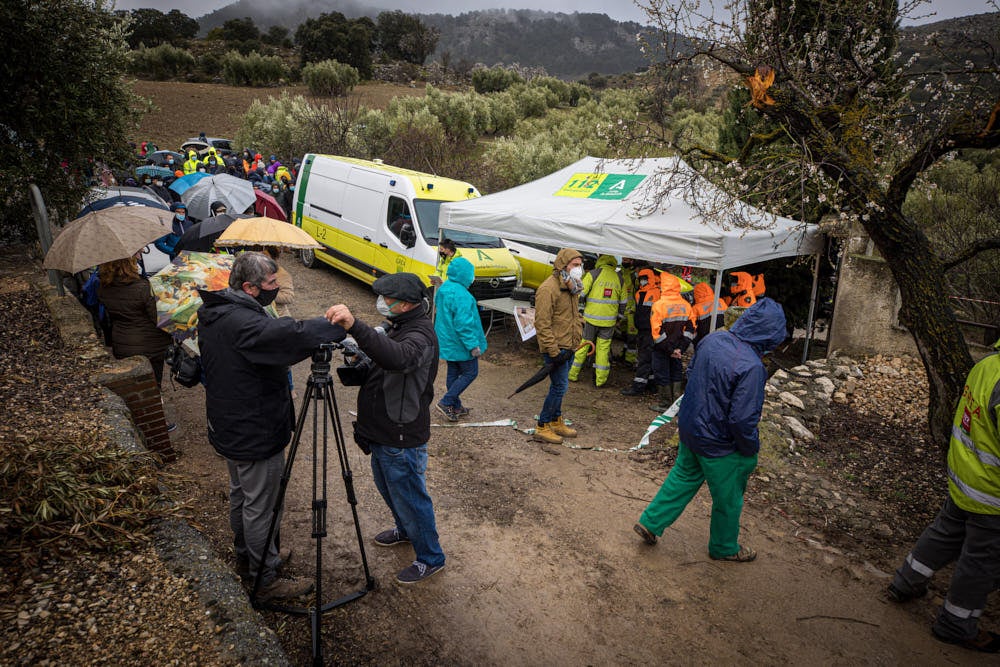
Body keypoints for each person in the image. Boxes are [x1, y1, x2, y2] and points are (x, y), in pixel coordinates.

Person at [198, 251, 347, 601]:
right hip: (253, 430)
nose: (276, 287)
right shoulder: (244, 323)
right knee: (259, 505)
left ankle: (250, 553)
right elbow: (287, 334)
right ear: (249, 287)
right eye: (270, 283)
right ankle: (264, 578)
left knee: (242, 495)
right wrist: (338, 326)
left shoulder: (216, 310)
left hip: (230, 424)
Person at [633, 298, 787, 562]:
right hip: (720, 445)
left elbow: (690, 374)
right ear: (772, 334)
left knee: (682, 477)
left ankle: (651, 521)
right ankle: (725, 547)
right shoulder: (752, 367)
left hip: (691, 430)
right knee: (728, 498)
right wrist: (750, 449)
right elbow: (742, 419)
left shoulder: (713, 340)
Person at [325, 273, 446, 585]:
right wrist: (358, 359)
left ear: (405, 304)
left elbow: (397, 359)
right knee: (389, 488)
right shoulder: (398, 325)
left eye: (386, 298)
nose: (379, 303)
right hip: (381, 431)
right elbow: (381, 361)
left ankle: (431, 557)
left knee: (410, 497)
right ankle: (406, 530)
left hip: (401, 435)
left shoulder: (420, 335)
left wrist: (356, 327)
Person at [886, 345, 1000, 653]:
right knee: (981, 561)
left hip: (965, 477)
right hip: (992, 495)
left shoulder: (988, 364)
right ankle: (955, 624)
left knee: (945, 532)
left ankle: (905, 583)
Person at [532, 248, 585, 445]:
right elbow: (542, 323)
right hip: (557, 348)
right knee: (559, 386)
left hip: (569, 345)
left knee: (561, 387)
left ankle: (556, 420)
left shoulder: (571, 286)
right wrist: (553, 351)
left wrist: (580, 323)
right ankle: (542, 425)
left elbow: (569, 315)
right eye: (575, 265)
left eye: (580, 265)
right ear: (563, 265)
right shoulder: (549, 289)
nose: (579, 269)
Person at [96, 255, 172, 388]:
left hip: (121, 342)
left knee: (134, 385)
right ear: (128, 265)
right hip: (150, 346)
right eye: (134, 260)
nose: (137, 261)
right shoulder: (143, 288)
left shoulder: (104, 287)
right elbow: (159, 319)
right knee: (153, 385)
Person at [434, 256, 487, 421]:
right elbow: (464, 324)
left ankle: (455, 406)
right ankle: (446, 401)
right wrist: (473, 346)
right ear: (465, 275)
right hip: (461, 344)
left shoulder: (444, 288)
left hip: (447, 341)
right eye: (471, 274)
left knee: (453, 372)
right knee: (471, 372)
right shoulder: (463, 296)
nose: (472, 278)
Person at [569, 254, 626, 388]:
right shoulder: (620, 278)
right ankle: (600, 380)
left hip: (590, 319)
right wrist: (618, 318)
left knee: (583, 345)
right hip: (609, 321)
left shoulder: (593, 274)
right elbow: (623, 302)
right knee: (603, 349)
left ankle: (572, 374)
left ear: (600, 261)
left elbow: (580, 294)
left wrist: (581, 310)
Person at [649, 272, 696, 412]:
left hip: (662, 348)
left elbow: (657, 332)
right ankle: (676, 404)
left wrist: (670, 350)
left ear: (663, 287)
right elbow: (690, 329)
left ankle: (664, 404)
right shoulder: (686, 305)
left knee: (661, 373)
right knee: (676, 373)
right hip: (678, 348)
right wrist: (680, 349)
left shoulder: (658, 305)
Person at [621, 267, 660, 396]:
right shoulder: (639, 293)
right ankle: (651, 384)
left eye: (645, 278)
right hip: (642, 330)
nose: (642, 281)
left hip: (650, 331)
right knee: (648, 357)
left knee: (644, 358)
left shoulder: (655, 293)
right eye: (641, 278)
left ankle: (638, 386)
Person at [691, 282, 727, 346]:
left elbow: (692, 325)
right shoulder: (721, 301)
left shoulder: (696, 307)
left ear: (696, 294)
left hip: (704, 338)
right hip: (722, 335)